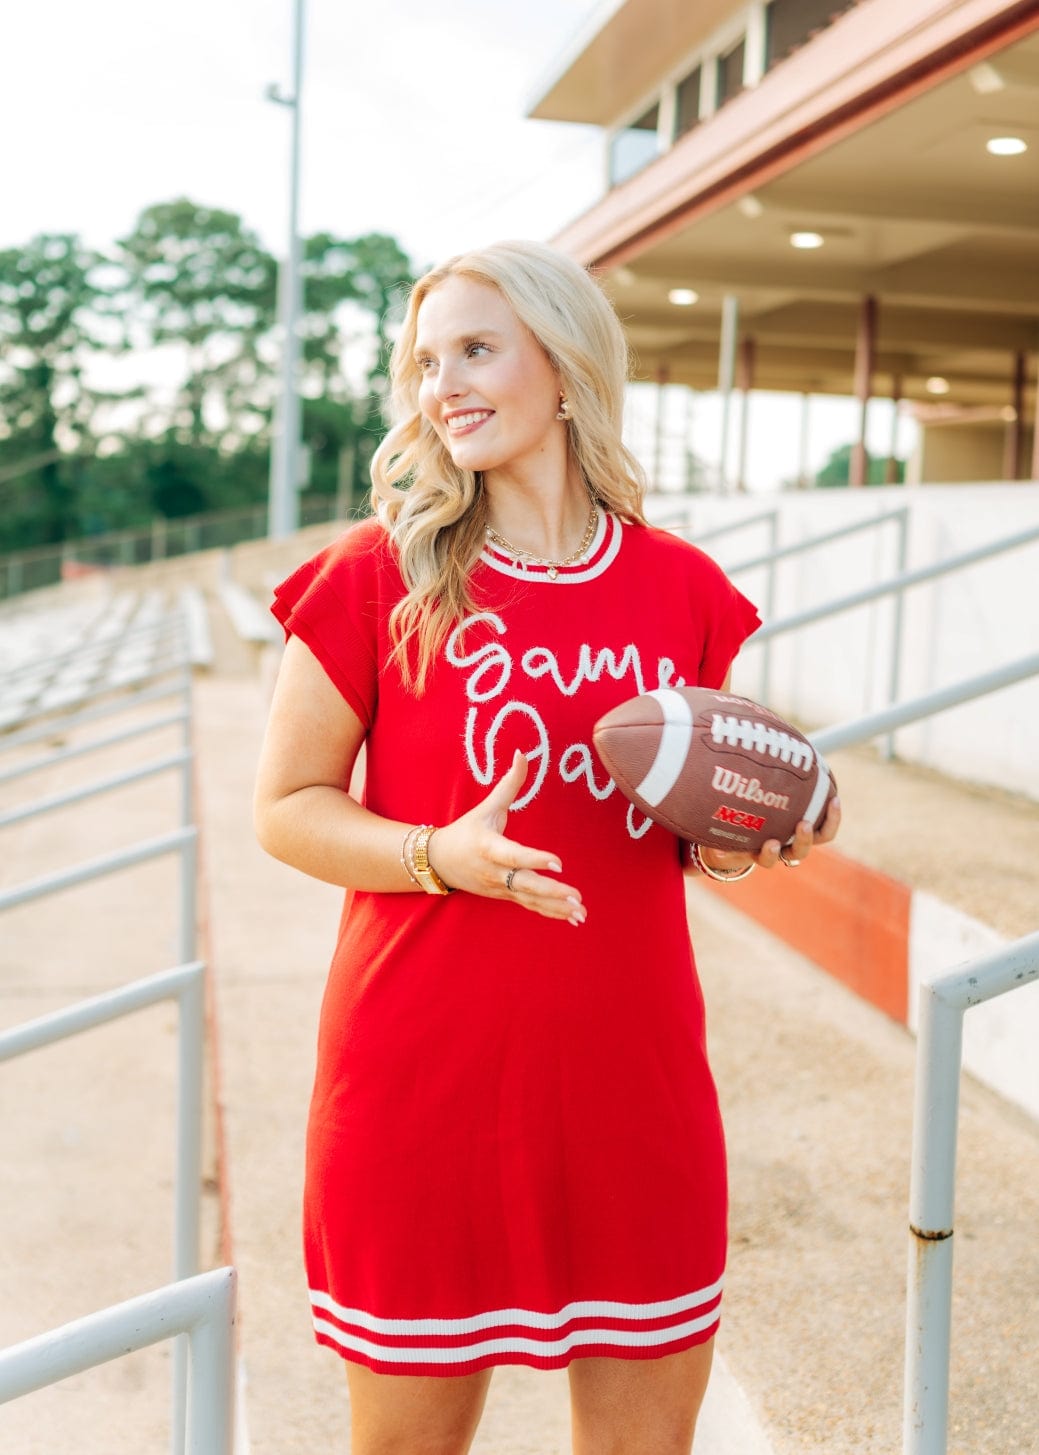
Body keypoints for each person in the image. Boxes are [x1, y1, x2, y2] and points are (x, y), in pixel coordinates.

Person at [253, 238, 840, 1455]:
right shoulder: (376, 576)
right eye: (425, 362)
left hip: (631, 1088)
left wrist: (772, 822)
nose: (442, 385)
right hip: (419, 1086)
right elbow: (287, 805)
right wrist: (434, 853)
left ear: (565, 368)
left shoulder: (681, 589)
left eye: (476, 349)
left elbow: (684, 825)